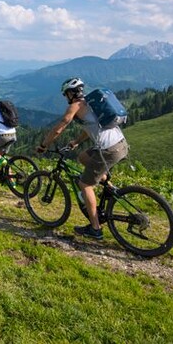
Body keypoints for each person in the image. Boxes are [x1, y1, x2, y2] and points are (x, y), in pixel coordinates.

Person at [36, 77, 129, 240]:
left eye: (66, 94)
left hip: (108, 149)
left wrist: (44, 145)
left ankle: (95, 229)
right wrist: (76, 142)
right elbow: (91, 126)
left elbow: (60, 127)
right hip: (120, 144)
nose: (66, 98)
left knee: (84, 184)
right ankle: (107, 185)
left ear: (71, 93)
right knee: (83, 157)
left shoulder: (76, 106)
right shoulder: (91, 103)